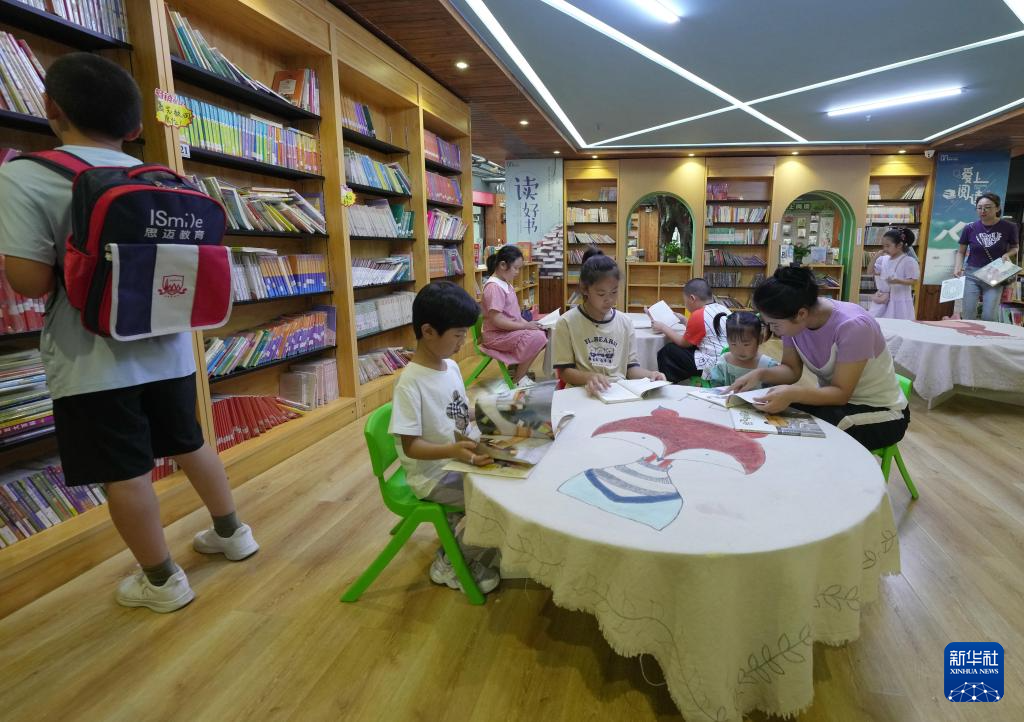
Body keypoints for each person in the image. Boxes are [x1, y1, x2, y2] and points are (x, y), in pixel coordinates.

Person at [0, 53, 257, 613]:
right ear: (137, 126)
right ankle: (233, 533)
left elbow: (29, 281)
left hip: (92, 357)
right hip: (171, 347)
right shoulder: (163, 179)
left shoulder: (25, 175)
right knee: (191, 442)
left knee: (125, 471)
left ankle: (161, 581)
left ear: (51, 108)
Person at [389, 281, 500, 594]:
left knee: (514, 479)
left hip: (460, 457)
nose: (463, 343)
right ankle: (450, 561)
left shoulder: (450, 367)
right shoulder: (410, 384)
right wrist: (453, 450)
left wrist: (496, 412)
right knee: (497, 504)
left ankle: (461, 544)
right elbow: (411, 446)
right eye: (458, 335)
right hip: (434, 476)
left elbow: (459, 412)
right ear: (428, 331)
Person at [730, 266, 908, 450]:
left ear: (801, 314)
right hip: (834, 403)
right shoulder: (794, 320)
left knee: (809, 439)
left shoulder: (853, 326)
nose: (772, 330)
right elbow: (791, 370)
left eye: (774, 324)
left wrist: (793, 393)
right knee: (766, 411)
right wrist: (760, 374)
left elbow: (841, 394)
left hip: (881, 412)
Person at [552, 249, 665, 396]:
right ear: (585, 289)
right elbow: (564, 372)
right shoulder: (566, 322)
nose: (609, 300)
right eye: (601, 294)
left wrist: (650, 375)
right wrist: (589, 377)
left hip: (618, 392)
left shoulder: (625, 323)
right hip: (581, 392)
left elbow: (631, 369)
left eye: (614, 292)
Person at [480, 245, 546, 387]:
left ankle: (517, 370)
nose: (517, 272)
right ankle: (518, 379)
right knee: (538, 337)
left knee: (542, 332)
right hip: (496, 336)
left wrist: (529, 325)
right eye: (515, 268)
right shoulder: (494, 287)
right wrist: (525, 326)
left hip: (507, 332)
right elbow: (497, 320)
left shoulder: (505, 284)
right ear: (503, 265)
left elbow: (514, 315)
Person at [954, 192, 1020, 321]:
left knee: (989, 315)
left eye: (987, 207)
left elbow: (1015, 247)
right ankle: (968, 334)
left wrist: (1007, 254)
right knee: (968, 313)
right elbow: (961, 251)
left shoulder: (1009, 227)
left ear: (997, 208)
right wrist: (957, 267)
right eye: (979, 207)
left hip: (995, 274)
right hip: (972, 274)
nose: (983, 211)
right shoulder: (970, 228)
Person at [651, 278, 730, 382]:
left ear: (692, 298)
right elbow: (705, 330)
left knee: (668, 351)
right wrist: (684, 320)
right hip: (728, 359)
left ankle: (668, 383)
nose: (685, 305)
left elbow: (683, 343)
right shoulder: (722, 308)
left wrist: (663, 327)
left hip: (713, 365)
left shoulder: (698, 314)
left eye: (685, 302)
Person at [704, 311, 778, 387]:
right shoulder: (723, 363)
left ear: (760, 339)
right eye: (733, 344)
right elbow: (716, 387)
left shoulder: (769, 365)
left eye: (746, 344)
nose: (739, 351)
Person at [867, 227, 920, 320]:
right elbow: (870, 272)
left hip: (899, 300)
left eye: (888, 246)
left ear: (899, 245)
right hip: (882, 299)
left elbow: (914, 281)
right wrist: (875, 258)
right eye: (883, 246)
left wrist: (897, 281)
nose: (885, 249)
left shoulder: (909, 261)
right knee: (877, 323)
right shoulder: (883, 259)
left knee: (897, 324)